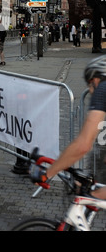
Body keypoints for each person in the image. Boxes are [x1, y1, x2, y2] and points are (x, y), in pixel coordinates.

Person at [30, 55, 106, 200]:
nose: (90, 91)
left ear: (96, 79)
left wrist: (47, 173)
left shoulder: (102, 88)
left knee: (93, 197)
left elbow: (83, 144)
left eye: (90, 84)